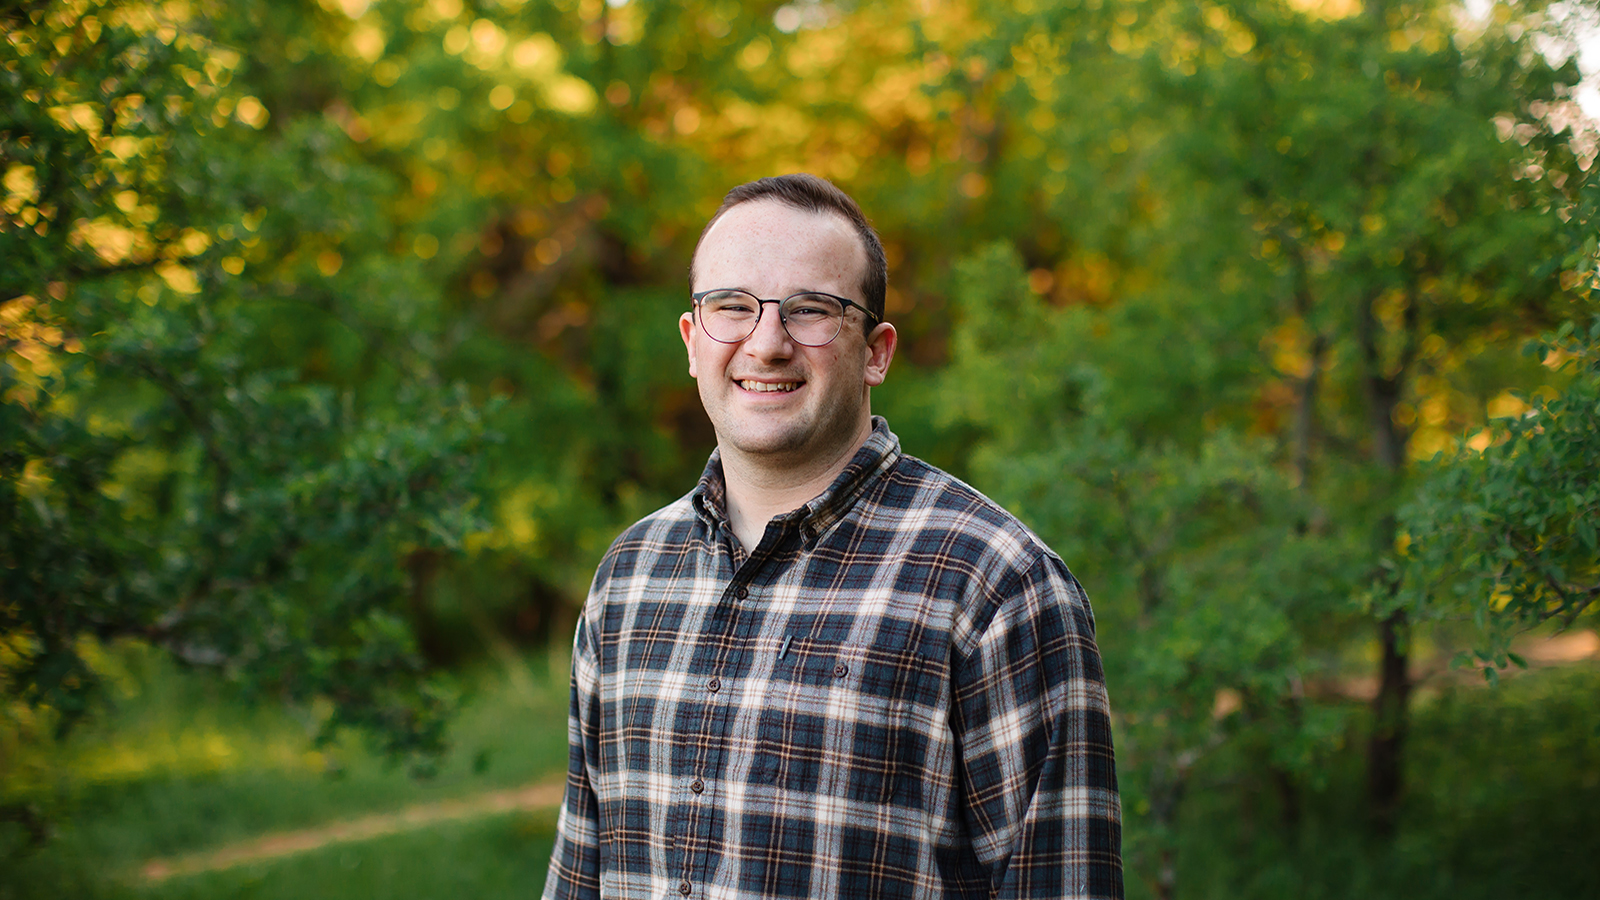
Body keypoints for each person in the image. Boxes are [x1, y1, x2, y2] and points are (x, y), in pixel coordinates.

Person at [543, 173, 1123, 900]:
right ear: (693, 341)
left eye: (810, 311)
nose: (767, 343)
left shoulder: (995, 583)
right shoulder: (630, 576)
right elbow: (580, 875)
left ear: (876, 351)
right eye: (733, 308)